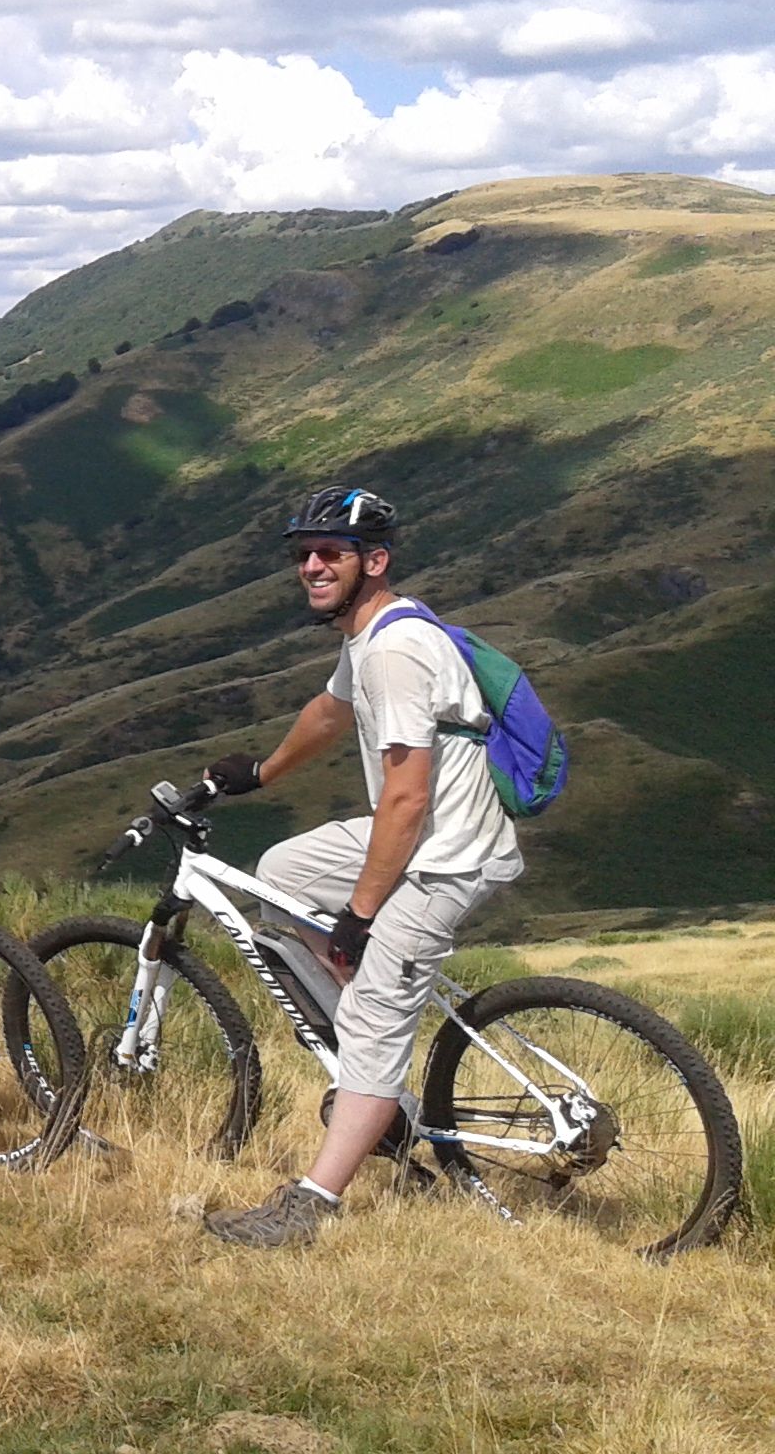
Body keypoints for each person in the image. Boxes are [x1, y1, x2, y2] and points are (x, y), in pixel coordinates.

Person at [199, 485, 524, 1246]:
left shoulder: (399, 651)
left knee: (377, 1017)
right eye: (303, 554)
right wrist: (263, 772)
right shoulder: (368, 637)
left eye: (331, 554)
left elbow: (407, 798)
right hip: (419, 832)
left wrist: (361, 914)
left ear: (374, 561)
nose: (312, 565)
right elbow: (328, 711)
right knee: (280, 870)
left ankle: (311, 1204)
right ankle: (372, 1054)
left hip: (449, 853)